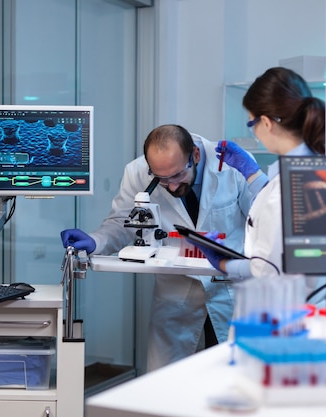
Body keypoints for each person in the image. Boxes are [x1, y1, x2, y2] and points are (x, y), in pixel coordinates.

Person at [60, 124, 267, 371]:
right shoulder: (137, 172)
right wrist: (95, 241)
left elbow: (263, 220)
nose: (170, 186)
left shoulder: (231, 166)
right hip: (177, 295)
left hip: (230, 290)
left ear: (196, 156)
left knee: (232, 381)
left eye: (178, 175)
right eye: (162, 179)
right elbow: (122, 223)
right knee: (169, 386)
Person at [196, 67, 325, 280]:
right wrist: (252, 174)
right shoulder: (313, 168)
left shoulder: (289, 184)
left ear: (266, 122)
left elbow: (268, 268)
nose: (254, 132)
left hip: (287, 302)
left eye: (251, 123)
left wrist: (225, 263)